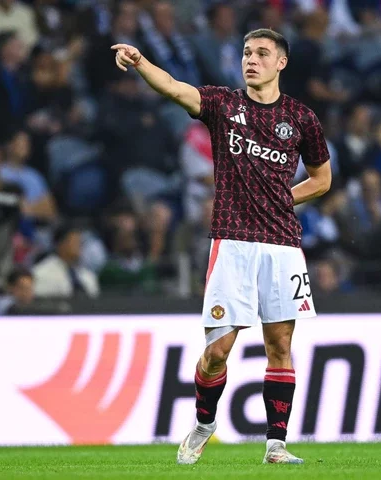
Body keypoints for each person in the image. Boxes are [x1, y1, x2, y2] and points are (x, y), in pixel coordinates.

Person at [112, 28, 332, 465]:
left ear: (281, 63)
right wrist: (140, 63)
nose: (252, 60)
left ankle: (275, 444)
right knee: (217, 352)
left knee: (280, 345)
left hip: (282, 244)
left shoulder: (302, 119)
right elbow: (174, 88)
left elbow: (323, 179)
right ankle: (205, 422)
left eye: (262, 54)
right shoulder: (224, 105)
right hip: (231, 243)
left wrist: (283, 198)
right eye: (247, 52)